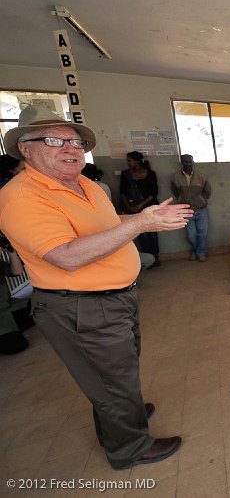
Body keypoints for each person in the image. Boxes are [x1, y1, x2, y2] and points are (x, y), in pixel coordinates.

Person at [0, 105, 190, 469]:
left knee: (118, 373)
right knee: (111, 379)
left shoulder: (82, 183)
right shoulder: (22, 197)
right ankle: (128, 448)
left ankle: (122, 416)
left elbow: (107, 222)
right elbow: (66, 256)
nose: (71, 149)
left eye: (75, 141)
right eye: (55, 140)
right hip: (80, 306)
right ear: (25, 148)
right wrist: (139, 225)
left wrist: (144, 221)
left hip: (114, 298)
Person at [121, 151, 161, 267]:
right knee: (142, 234)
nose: (127, 163)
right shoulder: (126, 175)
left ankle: (155, 257)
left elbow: (153, 193)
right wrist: (130, 207)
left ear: (137, 162)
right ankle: (148, 259)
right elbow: (122, 192)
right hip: (133, 208)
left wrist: (140, 205)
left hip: (149, 207)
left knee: (152, 233)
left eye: (129, 160)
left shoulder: (150, 174)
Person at [170, 154, 211, 261]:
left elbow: (207, 192)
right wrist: (181, 199)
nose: (188, 164)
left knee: (202, 233)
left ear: (192, 162)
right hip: (186, 210)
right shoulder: (175, 177)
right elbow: (175, 192)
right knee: (191, 234)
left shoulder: (201, 177)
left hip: (201, 209)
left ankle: (201, 253)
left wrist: (201, 200)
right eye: (185, 162)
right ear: (182, 163)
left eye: (190, 162)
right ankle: (194, 251)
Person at [0, 243, 28, 354]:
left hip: (7, 310)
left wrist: (11, 251)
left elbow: (17, 271)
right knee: (18, 346)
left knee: (38, 309)